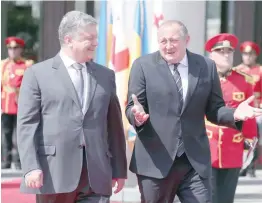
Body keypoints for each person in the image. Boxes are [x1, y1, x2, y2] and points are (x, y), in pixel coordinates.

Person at [125, 20, 262, 203]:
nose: (168, 46)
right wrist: (137, 116)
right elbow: (133, 107)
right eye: (163, 41)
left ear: (186, 40)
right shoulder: (143, 66)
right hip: (156, 160)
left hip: (194, 162)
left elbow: (215, 109)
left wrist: (235, 114)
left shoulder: (206, 66)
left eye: (173, 40)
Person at [17, 11, 127, 203]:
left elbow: (114, 126)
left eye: (96, 37)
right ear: (69, 40)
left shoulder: (105, 76)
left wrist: (118, 169)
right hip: (53, 172)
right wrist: (31, 166)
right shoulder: (37, 74)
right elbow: (27, 126)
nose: (96, 43)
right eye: (89, 38)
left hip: (97, 174)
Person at [204, 33, 258, 203]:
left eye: (229, 51)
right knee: (207, 198)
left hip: (232, 149)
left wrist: (248, 146)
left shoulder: (244, 81)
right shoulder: (202, 78)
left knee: (226, 198)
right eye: (221, 51)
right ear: (211, 54)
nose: (226, 55)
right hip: (207, 148)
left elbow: (249, 118)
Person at [1, 36, 33, 169]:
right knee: (6, 134)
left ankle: (20, 161)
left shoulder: (27, 65)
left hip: (21, 105)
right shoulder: (3, 65)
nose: (12, 51)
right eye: (10, 48)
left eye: (15, 48)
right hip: (6, 104)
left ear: (21, 49)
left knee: (21, 134)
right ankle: (6, 160)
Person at [236, 41, 261, 177]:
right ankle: (243, 163)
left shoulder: (260, 70)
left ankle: (253, 164)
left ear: (255, 55)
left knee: (259, 129)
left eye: (250, 54)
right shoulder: (236, 71)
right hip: (243, 109)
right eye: (245, 54)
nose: (248, 57)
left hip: (258, 108)